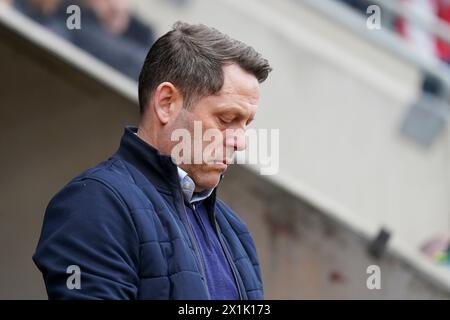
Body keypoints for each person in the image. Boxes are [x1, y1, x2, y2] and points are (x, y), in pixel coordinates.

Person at [33, 22, 272, 300]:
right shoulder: (94, 203)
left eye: (245, 125)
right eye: (226, 120)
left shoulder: (236, 232)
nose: (239, 142)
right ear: (166, 102)